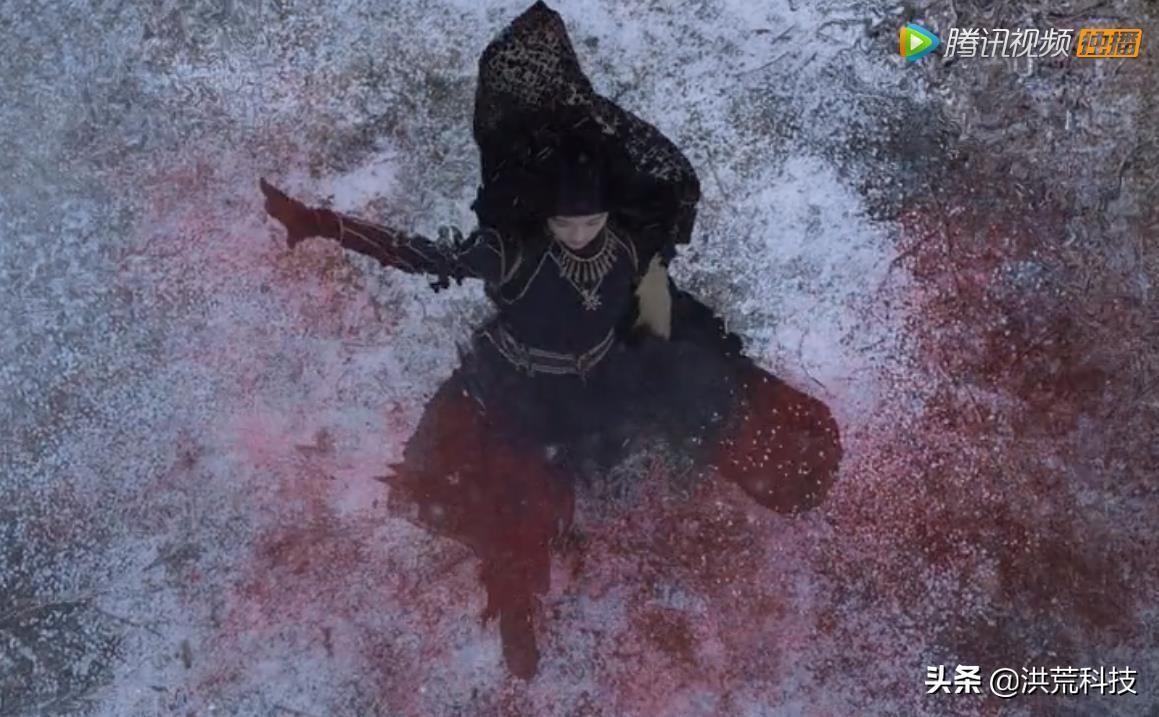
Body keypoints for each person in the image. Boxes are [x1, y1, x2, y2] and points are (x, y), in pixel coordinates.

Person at [258, 0, 841, 680]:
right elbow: (422, 255)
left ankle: (602, 528)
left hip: (598, 382)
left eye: (590, 221)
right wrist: (323, 224)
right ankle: (517, 612)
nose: (578, 234)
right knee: (501, 502)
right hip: (514, 389)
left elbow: (657, 313)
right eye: (566, 223)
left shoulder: (628, 247)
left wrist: (672, 365)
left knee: (653, 431)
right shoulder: (513, 252)